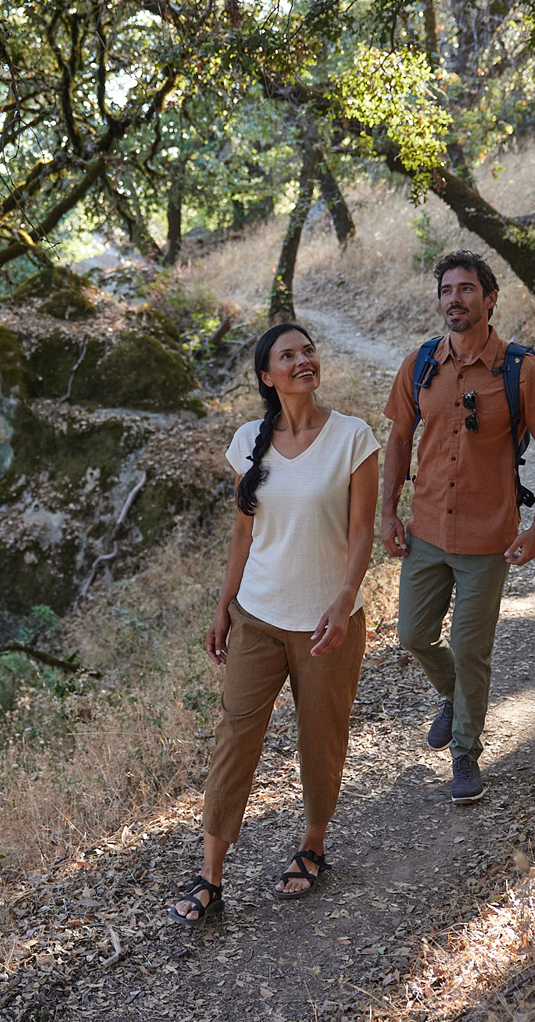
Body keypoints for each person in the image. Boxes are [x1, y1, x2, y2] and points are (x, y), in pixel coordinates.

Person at [171, 323, 380, 927]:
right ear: (268, 375)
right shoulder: (247, 441)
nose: (303, 360)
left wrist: (345, 599)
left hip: (327, 623)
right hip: (257, 616)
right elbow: (243, 532)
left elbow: (361, 532)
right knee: (235, 737)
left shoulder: (352, 437)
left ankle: (312, 846)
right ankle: (210, 876)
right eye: (288, 355)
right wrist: (223, 606)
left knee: (321, 734)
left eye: (308, 350)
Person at [380, 250, 535, 805]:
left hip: (488, 536)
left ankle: (465, 752)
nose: (454, 299)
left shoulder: (520, 370)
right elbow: (398, 439)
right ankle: (453, 694)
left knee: (470, 646)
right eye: (446, 290)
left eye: (466, 289)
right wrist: (388, 512)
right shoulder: (420, 364)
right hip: (428, 529)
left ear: (490, 299)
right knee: (413, 635)